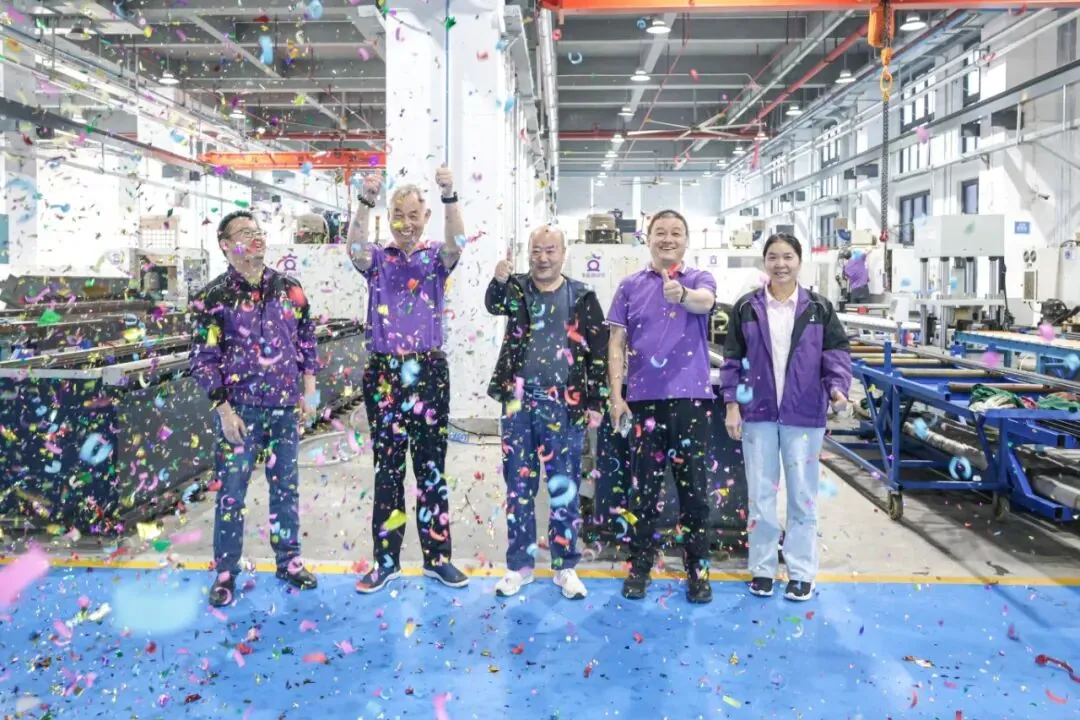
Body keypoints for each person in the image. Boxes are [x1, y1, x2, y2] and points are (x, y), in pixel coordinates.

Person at [347, 167, 469, 593]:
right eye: (397, 214)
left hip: (429, 371)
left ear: (426, 215)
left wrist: (450, 193)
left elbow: (459, 243)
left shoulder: (435, 258)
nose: (405, 223)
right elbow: (354, 247)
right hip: (384, 373)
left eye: (413, 214)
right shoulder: (378, 260)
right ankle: (386, 561)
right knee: (388, 471)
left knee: (431, 468)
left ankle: (438, 559)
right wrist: (365, 201)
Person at [189, 210, 320, 607]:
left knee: (286, 489)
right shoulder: (212, 298)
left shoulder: (289, 288)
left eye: (259, 230)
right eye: (245, 233)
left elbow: (307, 340)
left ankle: (289, 560)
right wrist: (224, 410)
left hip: (283, 408)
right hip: (240, 413)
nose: (257, 237)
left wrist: (309, 391)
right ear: (227, 246)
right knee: (231, 493)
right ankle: (226, 571)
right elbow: (202, 358)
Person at [721, 233, 852, 602]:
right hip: (758, 415)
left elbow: (836, 355)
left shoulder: (819, 309)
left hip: (804, 415)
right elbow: (733, 360)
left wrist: (838, 388)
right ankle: (762, 569)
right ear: (765, 262)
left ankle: (801, 572)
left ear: (800, 261)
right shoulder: (747, 307)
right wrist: (732, 405)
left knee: (802, 497)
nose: (781, 264)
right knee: (761, 498)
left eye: (788, 257)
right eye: (774, 257)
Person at [484, 226, 608, 600]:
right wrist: (497, 279)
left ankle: (565, 567)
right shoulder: (517, 289)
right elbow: (492, 304)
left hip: (564, 405)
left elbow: (598, 353)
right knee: (518, 488)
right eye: (536, 251)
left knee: (563, 489)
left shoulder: (582, 296)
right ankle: (518, 567)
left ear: (564, 252)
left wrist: (596, 403)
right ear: (529, 252)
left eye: (550, 251)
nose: (543, 258)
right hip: (518, 402)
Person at [606, 209, 717, 604]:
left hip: (691, 401)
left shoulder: (699, 280)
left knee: (695, 494)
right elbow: (616, 344)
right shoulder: (629, 286)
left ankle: (697, 571)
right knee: (644, 491)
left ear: (686, 240)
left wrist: (683, 295)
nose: (667, 239)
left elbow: (705, 302)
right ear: (647, 238)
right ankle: (640, 566)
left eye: (676, 233)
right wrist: (616, 397)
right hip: (643, 402)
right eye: (660, 233)